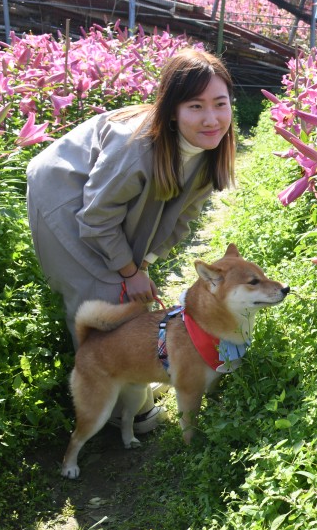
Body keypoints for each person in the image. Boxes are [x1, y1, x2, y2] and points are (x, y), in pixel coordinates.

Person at [26, 47, 237, 433]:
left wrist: (141, 266)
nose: (211, 119)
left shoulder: (210, 151)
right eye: (195, 106)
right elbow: (95, 218)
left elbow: (183, 218)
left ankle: (133, 382)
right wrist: (127, 270)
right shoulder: (136, 147)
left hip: (100, 205)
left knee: (128, 288)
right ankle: (126, 409)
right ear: (172, 109)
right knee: (103, 294)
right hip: (63, 196)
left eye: (220, 104)